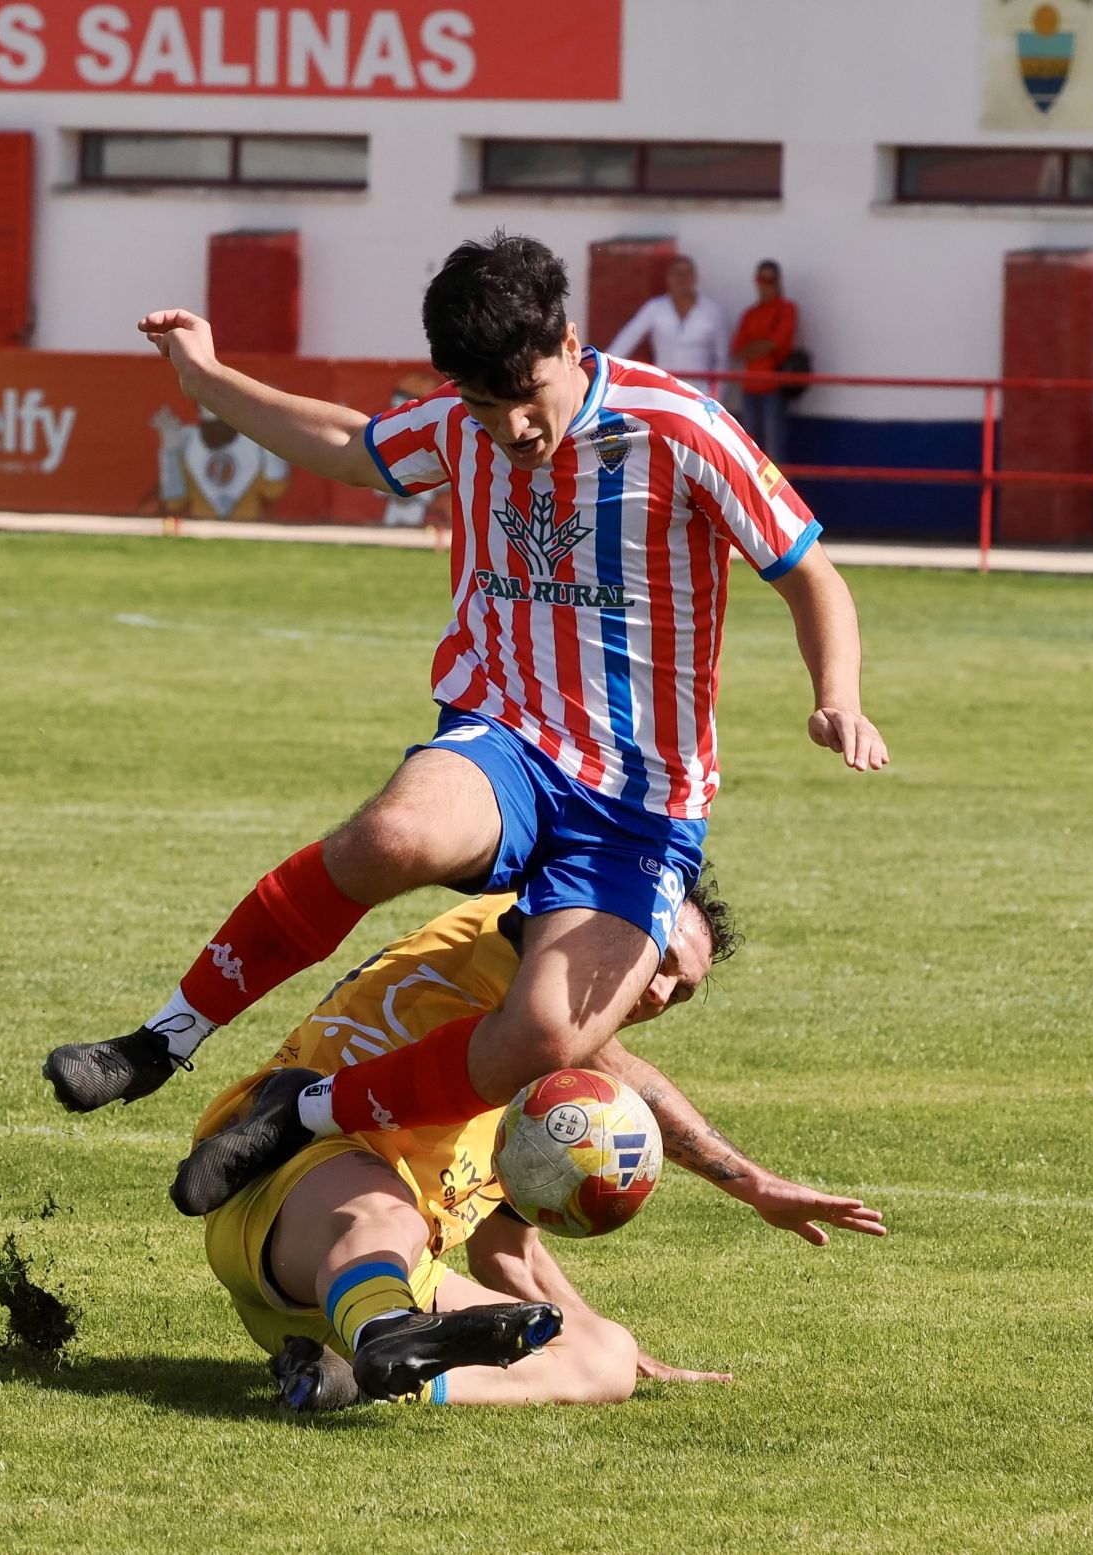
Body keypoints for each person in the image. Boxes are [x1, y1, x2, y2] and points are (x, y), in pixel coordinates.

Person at [43, 232, 887, 1220]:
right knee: (394, 833)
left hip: (641, 807)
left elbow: (811, 576)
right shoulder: (460, 424)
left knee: (538, 1040)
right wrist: (208, 374)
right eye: (487, 407)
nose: (512, 428)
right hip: (510, 734)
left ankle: (300, 1113)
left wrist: (840, 694)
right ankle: (160, 1042)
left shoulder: (681, 427)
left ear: (571, 340)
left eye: (527, 395)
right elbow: (347, 445)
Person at [188, 883, 885, 1408]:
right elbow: (627, 1076)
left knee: (604, 1356)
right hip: (276, 1183)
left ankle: (357, 1376)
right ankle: (384, 1334)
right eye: (661, 958)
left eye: (683, 993)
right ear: (620, 924)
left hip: (347, 1291)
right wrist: (753, 1184)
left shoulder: (548, 1092)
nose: (661, 990)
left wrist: (593, 1336)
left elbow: (505, 1251)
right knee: (391, 1212)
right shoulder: (520, 935)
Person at [603, 254, 728, 388]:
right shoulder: (654, 308)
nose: (682, 279)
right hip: (664, 387)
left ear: (695, 277)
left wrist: (717, 394)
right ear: (668, 278)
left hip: (701, 390)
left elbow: (722, 357)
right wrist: (605, 367)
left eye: (686, 273)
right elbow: (627, 338)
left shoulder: (712, 311)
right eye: (677, 273)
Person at [730, 259, 801, 461]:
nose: (766, 284)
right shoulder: (749, 314)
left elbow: (775, 343)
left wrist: (756, 346)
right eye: (763, 279)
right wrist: (762, 346)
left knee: (774, 453)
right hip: (749, 390)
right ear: (756, 281)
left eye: (771, 279)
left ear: (779, 282)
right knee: (750, 453)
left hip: (775, 390)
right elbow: (737, 351)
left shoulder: (787, 309)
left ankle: (778, 494)